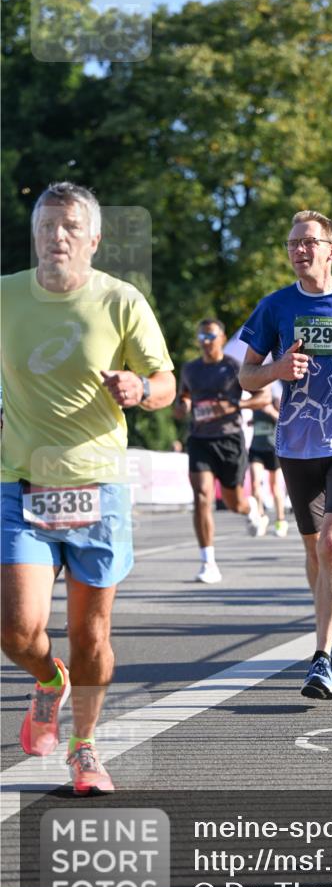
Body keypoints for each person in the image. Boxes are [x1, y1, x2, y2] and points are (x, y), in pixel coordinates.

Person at [1, 182, 176, 794]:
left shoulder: (122, 300)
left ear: (94, 239)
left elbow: (165, 383)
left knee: (90, 635)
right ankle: (49, 681)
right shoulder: (6, 296)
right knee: (17, 631)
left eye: (71, 226)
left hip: (97, 488)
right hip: (20, 483)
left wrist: (140, 389)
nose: (57, 236)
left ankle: (85, 748)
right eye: (47, 225)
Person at [238, 209, 332, 699]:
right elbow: (246, 376)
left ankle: (321, 658)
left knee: (331, 543)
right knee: (312, 549)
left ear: (331, 249)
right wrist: (277, 369)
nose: (299, 250)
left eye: (308, 241)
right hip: (296, 441)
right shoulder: (275, 306)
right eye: (292, 243)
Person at [175, 319, 272, 583]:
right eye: (202, 337)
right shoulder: (191, 369)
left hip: (229, 439)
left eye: (211, 336)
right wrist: (182, 405)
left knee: (233, 503)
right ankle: (208, 563)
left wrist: (232, 407)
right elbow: (183, 395)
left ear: (222, 337)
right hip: (199, 439)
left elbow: (263, 397)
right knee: (203, 496)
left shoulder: (232, 367)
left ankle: (250, 507)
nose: (206, 342)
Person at [248, 385, 290, 538]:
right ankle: (260, 517)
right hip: (256, 448)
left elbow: (284, 420)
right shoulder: (254, 403)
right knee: (255, 483)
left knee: (275, 487)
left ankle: (280, 520)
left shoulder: (275, 401)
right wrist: (253, 422)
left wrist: (271, 412)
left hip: (272, 449)